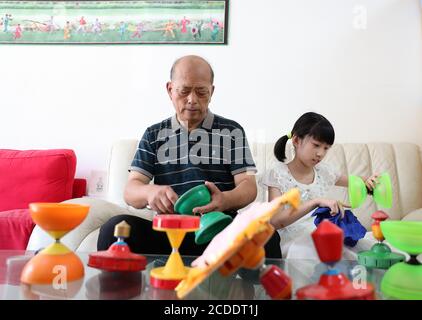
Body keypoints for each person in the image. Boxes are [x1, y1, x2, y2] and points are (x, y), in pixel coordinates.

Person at [97, 55, 283, 258]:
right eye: (184, 91)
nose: (192, 99)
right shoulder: (154, 134)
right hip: (170, 233)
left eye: (201, 92)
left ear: (211, 92)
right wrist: (150, 192)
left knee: (267, 236)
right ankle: (121, 290)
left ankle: (255, 290)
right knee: (113, 230)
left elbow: (248, 186)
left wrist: (224, 200)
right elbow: (131, 190)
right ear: (170, 89)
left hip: (220, 232)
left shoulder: (232, 131)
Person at [260, 112, 379, 257]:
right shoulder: (277, 174)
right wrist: (315, 202)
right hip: (295, 240)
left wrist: (369, 181)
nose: (320, 154)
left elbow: (359, 181)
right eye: (316, 145)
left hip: (323, 231)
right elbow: (275, 221)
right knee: (318, 252)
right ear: (296, 141)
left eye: (326, 148)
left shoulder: (324, 171)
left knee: (363, 249)